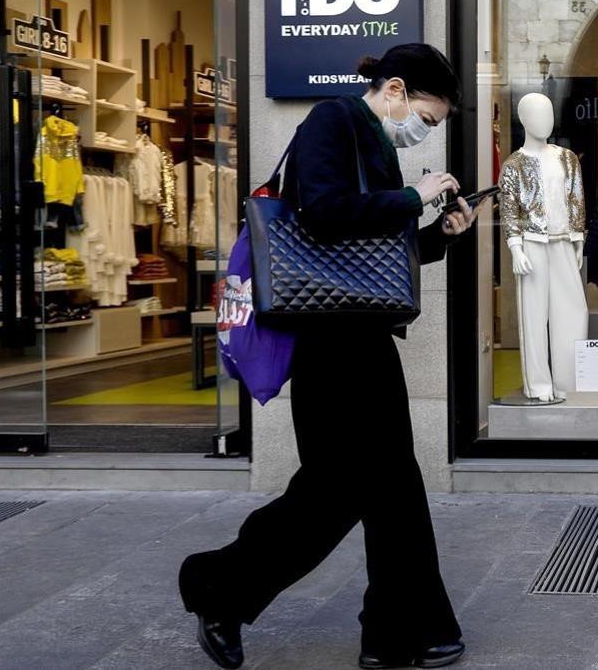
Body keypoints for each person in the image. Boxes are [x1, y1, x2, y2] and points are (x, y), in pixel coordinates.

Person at [179, 44, 480, 670]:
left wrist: (435, 237)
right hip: (329, 344)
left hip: (357, 336)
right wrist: (412, 198)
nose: (423, 133)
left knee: (386, 485)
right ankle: (220, 589)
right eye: (426, 118)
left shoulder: (367, 134)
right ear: (394, 90)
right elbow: (321, 215)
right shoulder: (333, 120)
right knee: (341, 489)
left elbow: (359, 259)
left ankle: (402, 632)